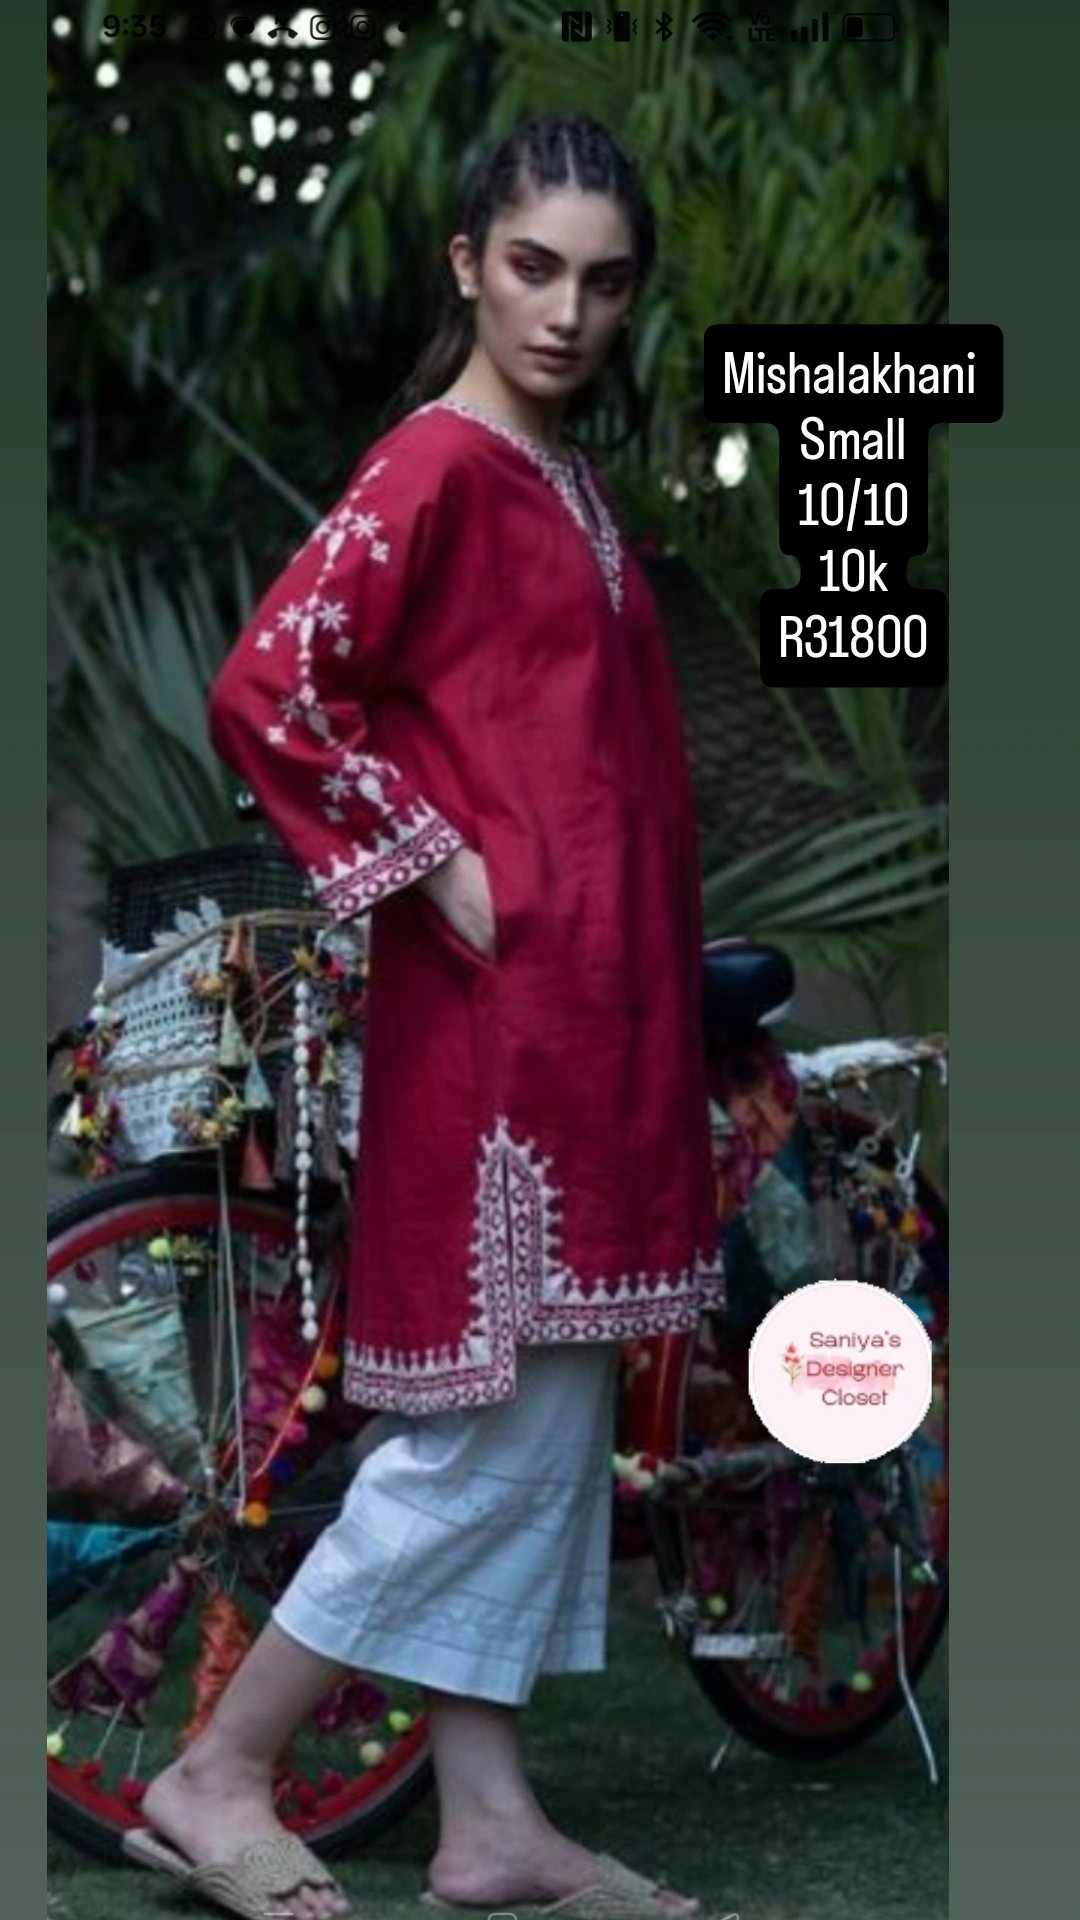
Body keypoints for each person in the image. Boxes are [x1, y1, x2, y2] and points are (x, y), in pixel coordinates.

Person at [123, 112, 725, 1920]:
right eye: (532, 267)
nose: (567, 312)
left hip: (597, 1024)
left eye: (604, 281)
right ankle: (218, 1768)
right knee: (479, 1439)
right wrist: (429, 851)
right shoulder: (439, 465)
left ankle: (488, 1821)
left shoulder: (565, 482)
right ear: (468, 262)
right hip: (499, 1029)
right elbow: (272, 684)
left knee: (538, 1429)